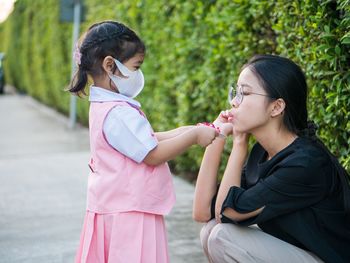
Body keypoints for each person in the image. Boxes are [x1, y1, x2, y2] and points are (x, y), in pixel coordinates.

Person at [69, 21, 219, 263]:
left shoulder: (105, 106)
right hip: (130, 214)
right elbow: (152, 153)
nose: (138, 74)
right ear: (110, 65)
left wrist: (188, 130)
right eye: (135, 67)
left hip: (117, 208)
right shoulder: (118, 112)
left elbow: (144, 141)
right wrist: (193, 137)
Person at [192, 54, 350, 263]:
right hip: (302, 254)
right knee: (210, 230)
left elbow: (227, 213)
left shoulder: (305, 163)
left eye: (245, 93)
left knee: (222, 236)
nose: (234, 102)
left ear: (276, 107)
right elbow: (203, 212)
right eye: (236, 92)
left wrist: (239, 145)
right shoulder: (262, 152)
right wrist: (217, 133)